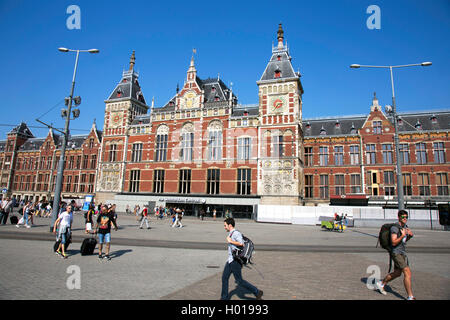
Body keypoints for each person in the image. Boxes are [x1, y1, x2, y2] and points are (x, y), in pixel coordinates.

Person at [376, 210, 415, 300]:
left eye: (406, 217)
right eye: (403, 217)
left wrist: (409, 236)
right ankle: (410, 296)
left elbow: (403, 241)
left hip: (402, 253)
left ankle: (381, 284)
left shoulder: (405, 227)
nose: (405, 219)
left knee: (397, 273)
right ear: (399, 217)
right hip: (396, 253)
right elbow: (393, 242)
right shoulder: (395, 228)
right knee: (407, 272)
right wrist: (402, 235)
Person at [221, 217, 263, 300]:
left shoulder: (236, 233)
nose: (224, 227)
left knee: (239, 281)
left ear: (230, 225)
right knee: (224, 278)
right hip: (230, 260)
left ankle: (257, 292)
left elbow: (241, 244)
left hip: (236, 261)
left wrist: (231, 241)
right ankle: (224, 298)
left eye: (225, 225)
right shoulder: (231, 233)